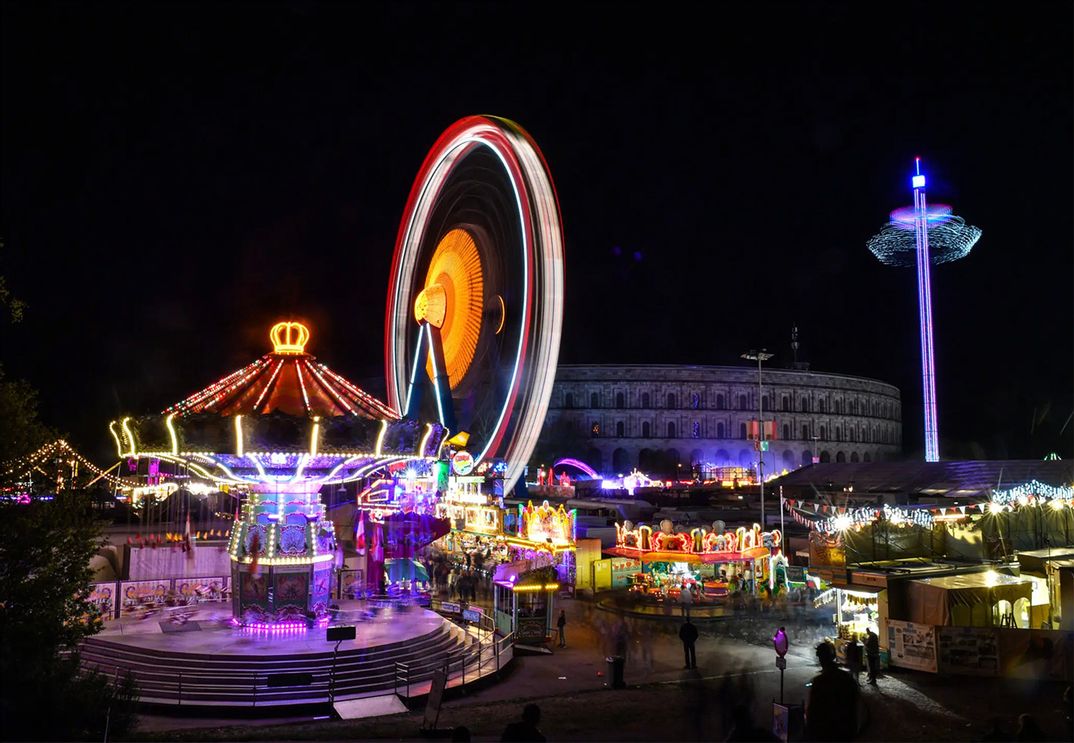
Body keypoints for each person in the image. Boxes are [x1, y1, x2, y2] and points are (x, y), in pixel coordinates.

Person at [805, 641, 859, 742]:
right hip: (845, 734)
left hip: (826, 734)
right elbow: (854, 706)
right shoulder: (847, 678)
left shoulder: (819, 682)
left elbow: (812, 715)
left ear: (820, 658)